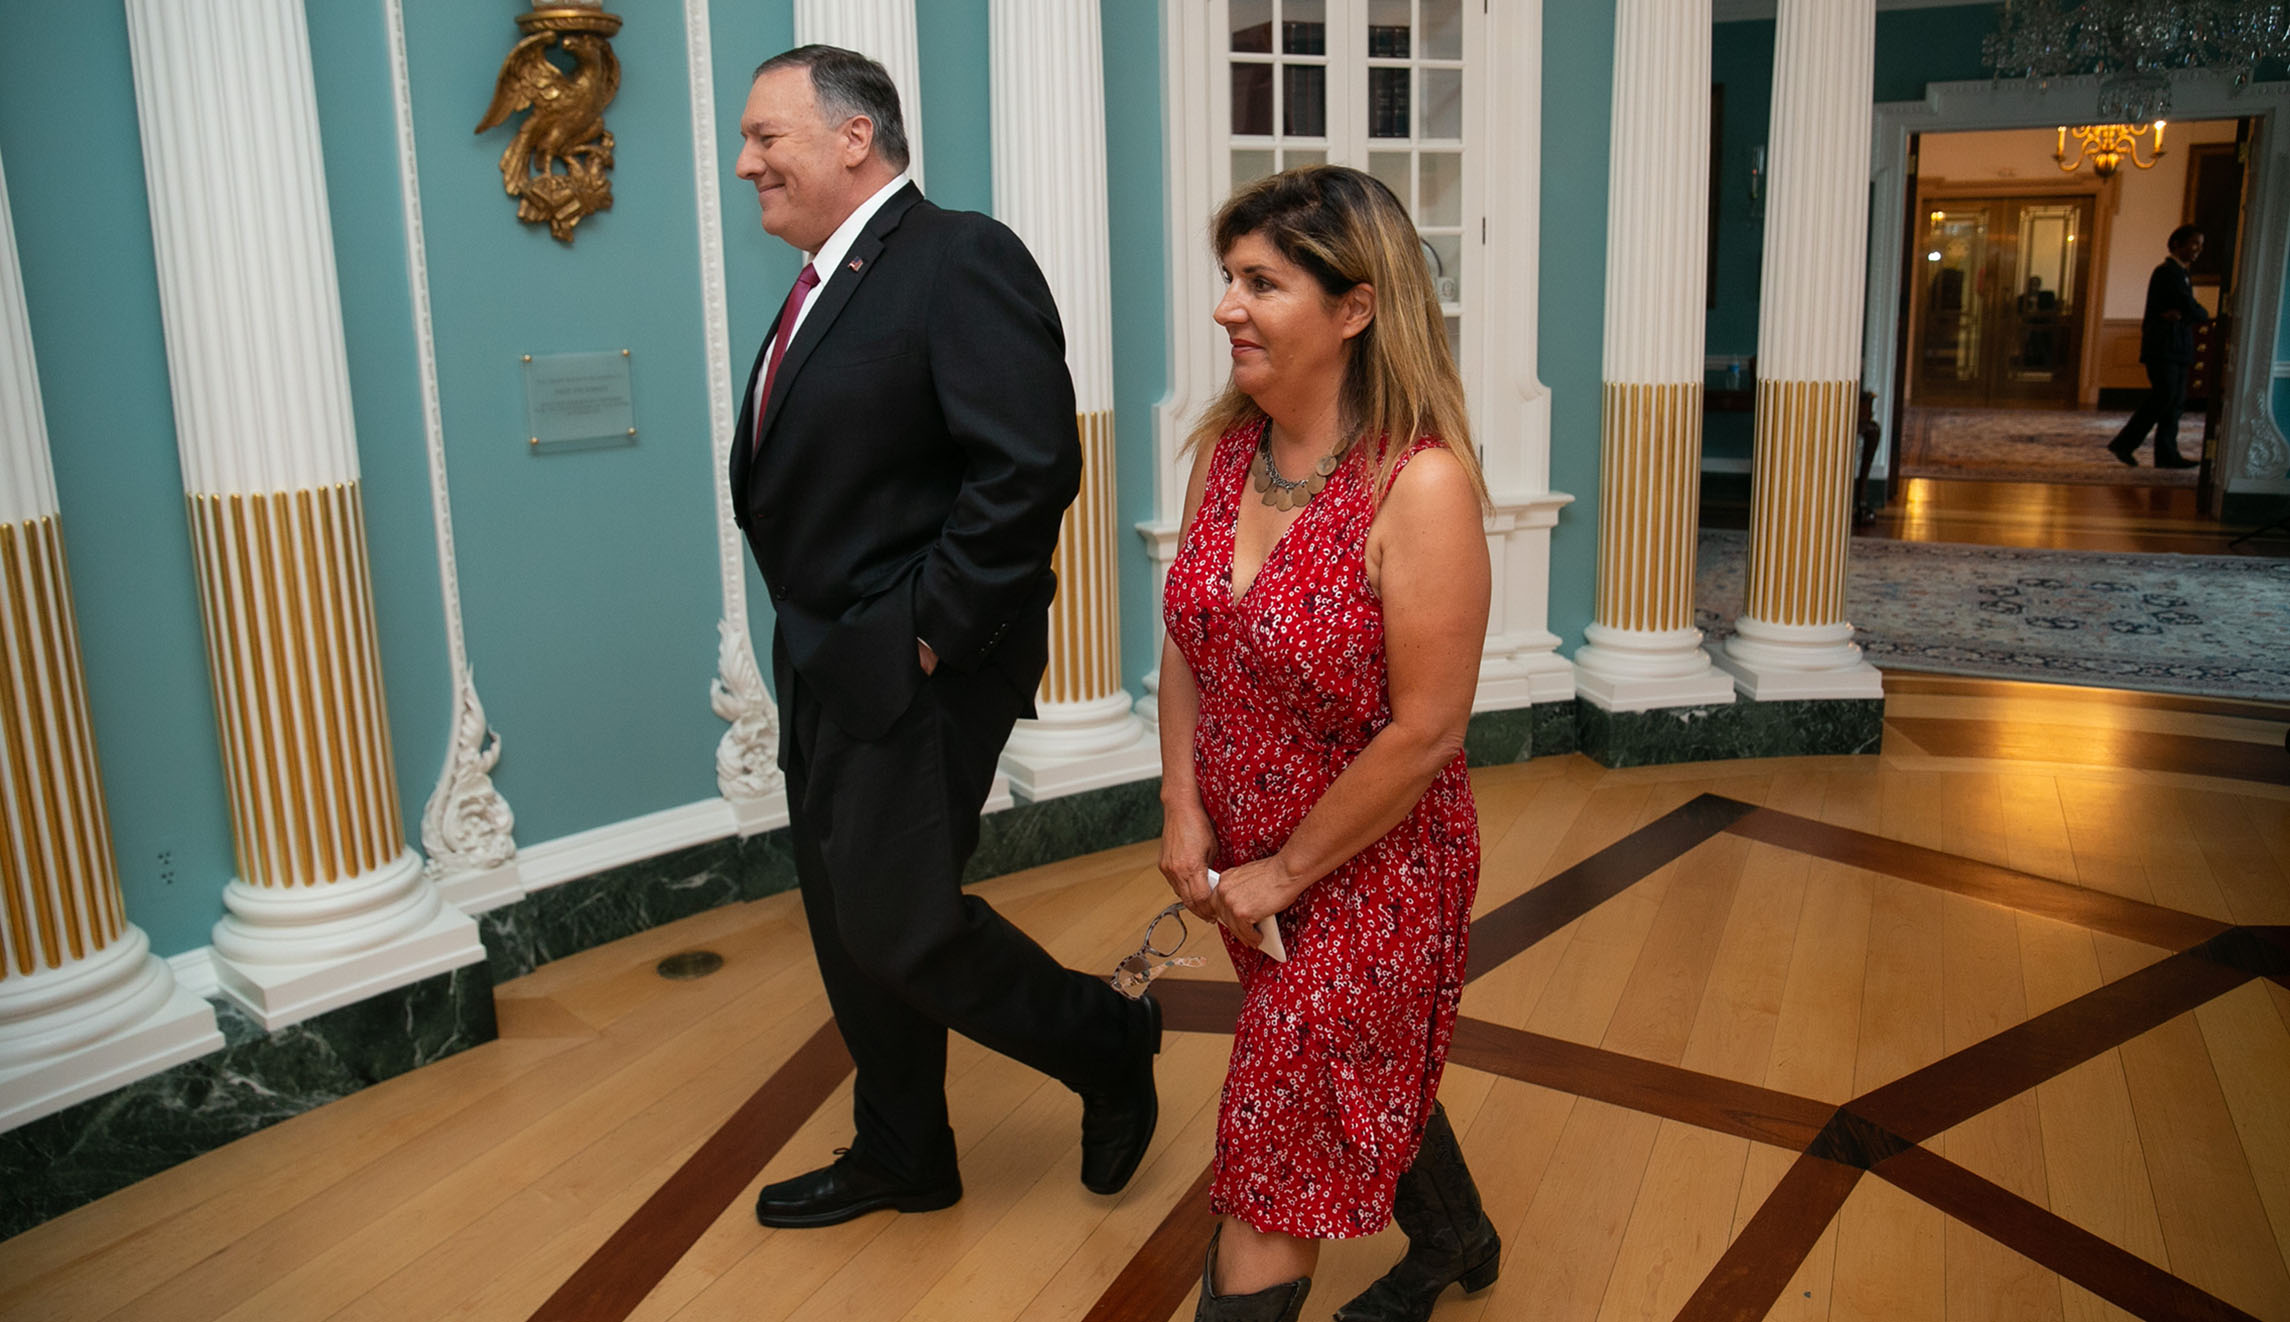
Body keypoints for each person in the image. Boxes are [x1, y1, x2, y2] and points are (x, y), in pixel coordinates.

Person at [727, 45, 1160, 1229]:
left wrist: (926, 638)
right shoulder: (827, 279)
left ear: (853, 135)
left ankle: (1108, 1037)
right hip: (822, 655)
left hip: (917, 663)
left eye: (767, 137)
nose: (744, 161)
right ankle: (904, 1147)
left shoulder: (958, 254)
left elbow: (1028, 468)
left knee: (896, 921)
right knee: (844, 917)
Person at [1156, 165, 1499, 1322]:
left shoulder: (1422, 485)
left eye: (1262, 281)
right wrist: (1181, 807)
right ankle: (1455, 1234)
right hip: (1246, 868)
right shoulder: (1224, 454)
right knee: (1343, 1063)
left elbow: (1426, 730)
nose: (1227, 307)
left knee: (1272, 1147)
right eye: (1228, 278)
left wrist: (1284, 869)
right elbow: (1189, 638)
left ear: (1354, 307)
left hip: (1375, 872)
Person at [2108, 225, 2209, 469]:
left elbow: (2188, 311)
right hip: (2163, 348)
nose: (2198, 249)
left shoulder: (2181, 273)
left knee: (2174, 402)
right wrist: (2192, 313)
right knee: (2163, 398)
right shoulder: (2167, 272)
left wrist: (2188, 314)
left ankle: (2166, 455)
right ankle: (2124, 444)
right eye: (2194, 243)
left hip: (2177, 348)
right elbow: (2192, 308)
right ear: (2176, 244)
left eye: (2201, 244)